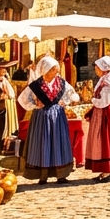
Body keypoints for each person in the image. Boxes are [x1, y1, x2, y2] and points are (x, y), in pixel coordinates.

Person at [17, 55, 80, 184]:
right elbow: (22, 99)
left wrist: (66, 101)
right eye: (53, 69)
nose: (56, 71)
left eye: (56, 69)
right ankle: (42, 175)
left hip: (58, 117)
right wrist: (34, 105)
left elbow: (73, 94)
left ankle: (61, 174)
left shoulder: (61, 82)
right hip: (41, 117)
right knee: (42, 144)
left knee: (59, 143)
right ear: (45, 70)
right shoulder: (35, 85)